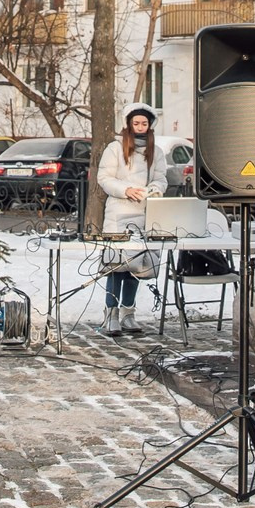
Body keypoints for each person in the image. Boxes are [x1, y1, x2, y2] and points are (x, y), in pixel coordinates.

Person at [91, 104, 166, 336]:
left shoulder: (157, 151)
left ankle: (128, 313)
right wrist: (126, 190)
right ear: (129, 124)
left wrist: (153, 189)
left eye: (144, 123)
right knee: (116, 266)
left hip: (144, 212)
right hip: (118, 213)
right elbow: (104, 177)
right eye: (137, 123)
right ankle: (111, 313)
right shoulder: (115, 148)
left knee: (137, 266)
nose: (140, 127)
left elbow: (161, 179)